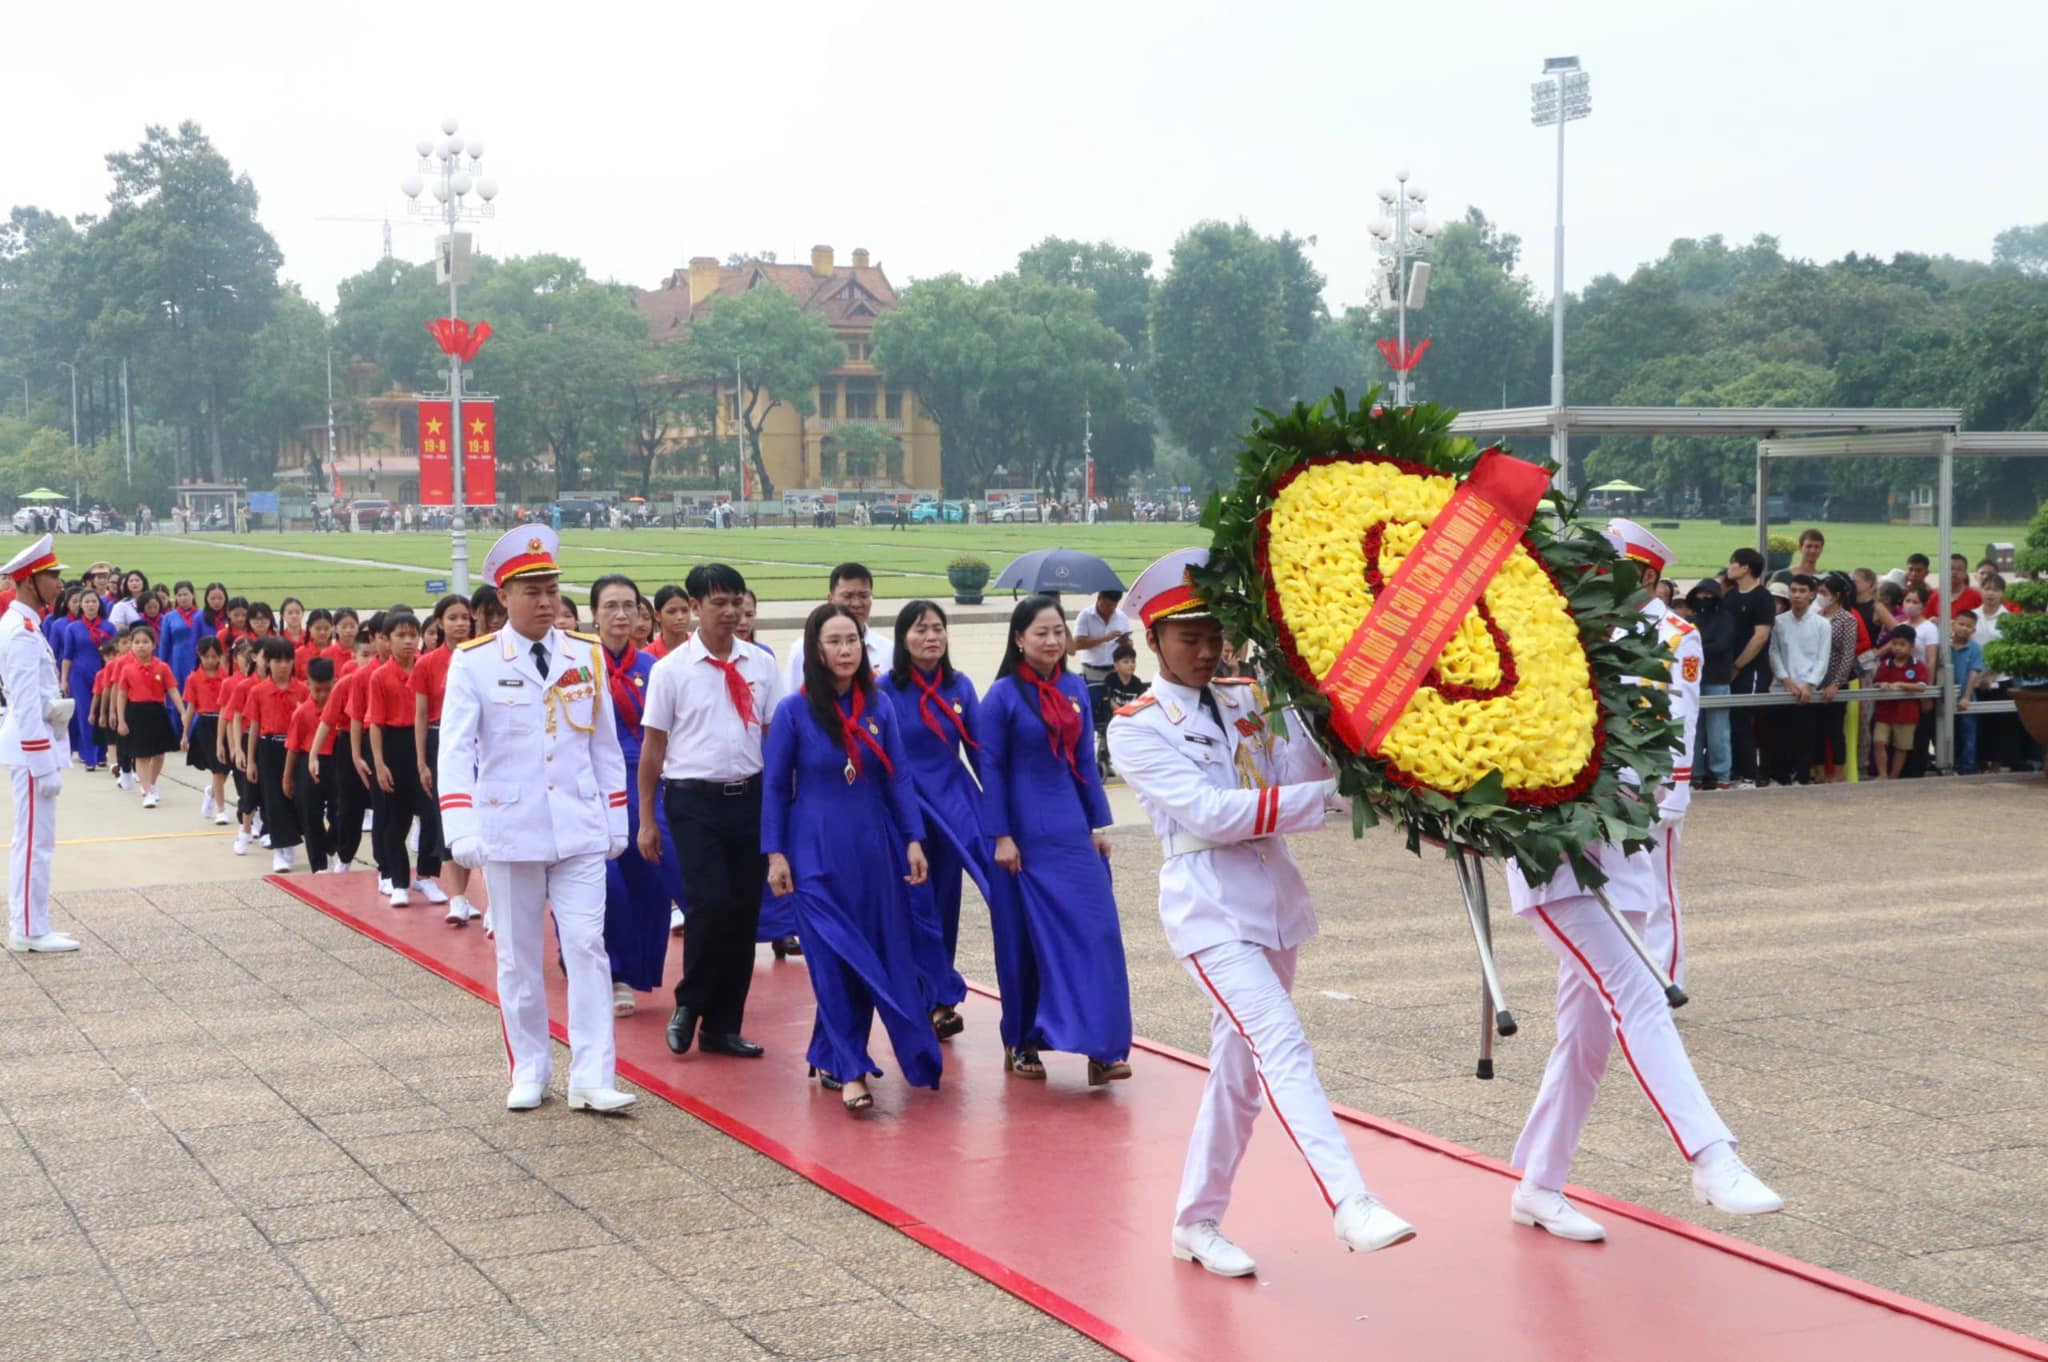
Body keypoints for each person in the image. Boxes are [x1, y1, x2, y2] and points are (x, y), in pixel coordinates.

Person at [1108, 549, 1414, 1276]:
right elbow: (1211, 815)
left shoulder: (1248, 697)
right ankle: (1350, 1199)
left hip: (1272, 900)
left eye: (1217, 634)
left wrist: (1318, 718)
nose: (1209, 650)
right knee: (1281, 1042)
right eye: (1190, 637)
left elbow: (1300, 774)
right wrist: (1328, 798)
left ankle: (1197, 1220)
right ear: (1154, 642)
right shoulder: (1136, 726)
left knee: (1240, 1072)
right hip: (1209, 908)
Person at [1504, 802, 1781, 1241]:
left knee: (1584, 1040)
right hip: (1555, 862)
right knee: (1640, 998)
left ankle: (1539, 1182)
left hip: (1625, 856)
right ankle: (1711, 1155)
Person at [438, 524, 635, 1114]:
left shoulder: (586, 653)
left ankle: (592, 1075)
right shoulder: (473, 662)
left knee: (586, 947)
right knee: (519, 956)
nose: (547, 601)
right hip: (509, 829)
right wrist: (461, 827)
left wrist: (616, 818)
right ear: (504, 598)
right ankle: (529, 1067)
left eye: (551, 588)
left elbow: (604, 744)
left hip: (577, 827)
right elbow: (455, 750)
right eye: (532, 591)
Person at [763, 603, 942, 1112]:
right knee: (833, 959)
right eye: (835, 641)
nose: (846, 650)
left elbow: (898, 777)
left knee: (866, 954)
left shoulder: (878, 707)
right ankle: (853, 1068)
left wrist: (913, 838)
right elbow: (776, 788)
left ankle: (829, 1052)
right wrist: (775, 854)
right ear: (816, 650)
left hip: (873, 851)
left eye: (853, 641)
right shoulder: (794, 712)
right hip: (812, 854)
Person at [980, 594, 1132, 1085]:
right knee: (1027, 942)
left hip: (1069, 827)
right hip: (1021, 834)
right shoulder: (1001, 696)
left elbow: (1085, 763)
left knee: (1097, 934)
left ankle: (1103, 1047)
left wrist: (1096, 827)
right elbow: (991, 769)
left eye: (1057, 632)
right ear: (1019, 639)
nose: (1051, 640)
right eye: (1040, 633)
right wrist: (1001, 835)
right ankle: (1022, 1041)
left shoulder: (1074, 688)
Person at [639, 563, 782, 1060]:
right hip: (692, 801)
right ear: (694, 608)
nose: (730, 611)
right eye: (717, 602)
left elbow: (774, 739)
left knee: (744, 914)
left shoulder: (761, 663)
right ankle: (689, 1002)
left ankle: (722, 1025)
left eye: (736, 600)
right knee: (709, 902)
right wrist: (646, 819)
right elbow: (653, 749)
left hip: (751, 798)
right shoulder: (670, 670)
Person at [878, 600, 990, 1038]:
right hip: (906, 810)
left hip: (954, 808)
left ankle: (940, 999)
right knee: (914, 905)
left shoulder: (960, 687)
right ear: (903, 639)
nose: (931, 637)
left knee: (945, 903)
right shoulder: (882, 689)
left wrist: (999, 817)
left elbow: (981, 755)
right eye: (921, 630)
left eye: (938, 629)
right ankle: (922, 996)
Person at [1602, 522, 1701, 988]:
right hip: (1614, 777)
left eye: (1618, 568)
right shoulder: (1610, 626)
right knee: (1622, 885)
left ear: (1646, 576)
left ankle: (1666, 982)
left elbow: (1684, 714)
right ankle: (1633, 974)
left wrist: (1676, 791)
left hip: (1655, 783)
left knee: (1658, 889)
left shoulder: (1678, 636)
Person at [589, 573, 683, 1016]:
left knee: (648, 882)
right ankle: (613, 970)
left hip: (646, 785)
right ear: (594, 615)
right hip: (593, 786)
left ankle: (640, 968)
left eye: (629, 606)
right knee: (609, 884)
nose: (621, 614)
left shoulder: (655, 669)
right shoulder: (579, 666)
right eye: (611, 606)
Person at [1, 537, 79, 953]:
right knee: (34, 842)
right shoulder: (20, 631)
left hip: (37, 746)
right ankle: (29, 928)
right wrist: (42, 763)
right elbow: (25, 702)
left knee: (36, 841)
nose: (58, 584)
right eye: (52, 576)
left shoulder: (28, 625)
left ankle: (32, 922)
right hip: (33, 751)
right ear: (30, 581)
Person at [367, 611, 447, 906]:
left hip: (423, 742)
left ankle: (426, 875)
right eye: (401, 636)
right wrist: (379, 762)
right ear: (386, 641)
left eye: (413, 635)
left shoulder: (425, 668)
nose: (409, 641)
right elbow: (375, 722)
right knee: (396, 819)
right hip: (394, 743)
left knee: (431, 814)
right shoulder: (380, 676)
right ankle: (398, 880)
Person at [412, 595, 477, 924]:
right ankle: (457, 899)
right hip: (442, 741)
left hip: (477, 742)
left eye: (465, 617)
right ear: (439, 622)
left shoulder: (481, 656)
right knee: (448, 818)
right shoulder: (427, 664)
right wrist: (422, 761)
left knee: (476, 819)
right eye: (452, 618)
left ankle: (468, 896)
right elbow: (421, 715)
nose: (460, 623)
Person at [782, 563, 890, 694]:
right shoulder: (802, 649)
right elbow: (790, 697)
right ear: (830, 599)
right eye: (847, 596)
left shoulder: (889, 650)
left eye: (863, 596)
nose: (856, 603)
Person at [1766, 574, 1830, 786]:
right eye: (1793, 590)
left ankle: (1802, 778)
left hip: (1807, 689)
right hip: (1781, 688)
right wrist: (1785, 679)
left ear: (1812, 595)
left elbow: (1822, 657)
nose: (1797, 595)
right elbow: (1773, 652)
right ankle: (1780, 777)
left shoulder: (1822, 624)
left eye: (1802, 591)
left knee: (1805, 738)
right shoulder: (1779, 622)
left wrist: (1809, 684)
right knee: (1778, 737)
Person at [1722, 549, 1775, 788]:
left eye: (1733, 562)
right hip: (1728, 668)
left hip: (1752, 670)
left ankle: (1749, 774)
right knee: (1729, 719)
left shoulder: (1763, 597)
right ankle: (1732, 770)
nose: (1729, 566)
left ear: (1745, 567)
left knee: (1744, 718)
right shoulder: (1731, 597)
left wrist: (1738, 665)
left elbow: (1760, 636)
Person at [283, 657, 341, 872]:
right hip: (307, 764)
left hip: (335, 763)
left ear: (335, 682)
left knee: (340, 812)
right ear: (308, 684)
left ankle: (331, 843)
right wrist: (287, 777)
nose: (323, 695)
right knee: (310, 816)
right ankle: (319, 866)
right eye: (317, 690)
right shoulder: (301, 713)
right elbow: (293, 747)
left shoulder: (341, 708)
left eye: (328, 689)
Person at [113, 622, 179, 809]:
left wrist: (182, 712)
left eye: (145, 642)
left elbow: (172, 690)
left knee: (159, 754)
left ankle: (152, 782)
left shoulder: (162, 667)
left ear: (153, 644)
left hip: (157, 711)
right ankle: (147, 791)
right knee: (141, 755)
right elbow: (122, 695)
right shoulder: (127, 669)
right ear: (131, 646)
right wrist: (121, 720)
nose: (141, 645)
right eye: (137, 642)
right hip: (136, 712)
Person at [182, 636, 233, 824]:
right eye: (207, 656)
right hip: (206, 725)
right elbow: (191, 708)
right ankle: (221, 809)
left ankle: (211, 792)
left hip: (224, 724)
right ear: (200, 656)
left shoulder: (226, 678)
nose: (210, 660)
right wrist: (185, 734)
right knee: (217, 770)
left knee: (226, 769)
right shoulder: (193, 679)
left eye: (214, 656)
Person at [1870, 626, 1928, 779]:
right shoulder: (1885, 664)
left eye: (1902, 644)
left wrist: (1901, 684)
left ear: (1911, 646)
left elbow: (1922, 687)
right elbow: (1876, 683)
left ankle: (1893, 777)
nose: (1897, 648)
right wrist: (1881, 685)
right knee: (1879, 742)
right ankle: (1882, 775)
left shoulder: (1918, 665)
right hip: (1884, 712)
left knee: (1901, 747)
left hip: (1907, 714)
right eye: (1895, 644)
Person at [1070, 589, 1132, 687]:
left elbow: (1129, 647)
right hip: (1091, 672)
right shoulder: (1085, 616)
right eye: (1107, 606)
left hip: (1115, 671)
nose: (1110, 610)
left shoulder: (1122, 617)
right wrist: (1105, 638)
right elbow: (1077, 644)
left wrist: (1125, 642)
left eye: (1114, 606)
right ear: (1099, 598)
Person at [1950, 610, 1985, 775]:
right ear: (1954, 624)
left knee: (1968, 735)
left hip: (1967, 699)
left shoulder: (1975, 649)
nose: (1964, 628)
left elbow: (1974, 673)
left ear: (1974, 630)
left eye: (1969, 626)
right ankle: (1951, 765)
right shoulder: (1945, 646)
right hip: (1947, 700)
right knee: (1950, 735)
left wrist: (1966, 697)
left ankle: (1967, 769)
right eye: (1961, 624)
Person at [646, 584, 694, 658]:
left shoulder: (703, 648)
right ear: (657, 616)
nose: (680, 617)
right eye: (671, 612)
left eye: (685, 610)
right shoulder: (647, 655)